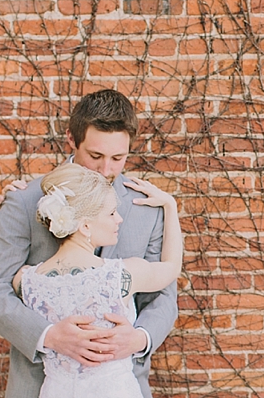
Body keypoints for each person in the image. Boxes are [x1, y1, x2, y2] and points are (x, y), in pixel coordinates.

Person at [0, 89, 179, 398]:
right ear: (72, 139)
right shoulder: (24, 200)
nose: (106, 170)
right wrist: (49, 335)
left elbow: (163, 296)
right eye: (95, 156)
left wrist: (139, 338)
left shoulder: (147, 207)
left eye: (118, 158)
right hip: (40, 385)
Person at [11, 163, 182, 398]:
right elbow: (172, 267)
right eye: (111, 213)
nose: (119, 219)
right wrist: (170, 206)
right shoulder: (123, 275)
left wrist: (10, 202)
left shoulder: (25, 280)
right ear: (85, 225)